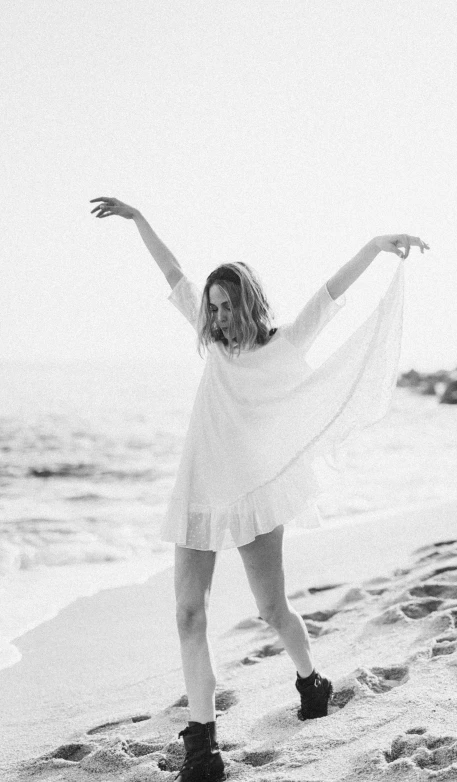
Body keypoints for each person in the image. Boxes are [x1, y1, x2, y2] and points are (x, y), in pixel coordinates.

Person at [90, 196, 429, 781]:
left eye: (225, 306)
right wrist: (140, 218)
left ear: (246, 304)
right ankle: (204, 747)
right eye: (212, 308)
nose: (216, 317)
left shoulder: (282, 345)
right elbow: (173, 273)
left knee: (272, 610)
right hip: (198, 490)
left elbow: (328, 295)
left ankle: (311, 680)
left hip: (253, 496)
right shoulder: (213, 348)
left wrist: (376, 247)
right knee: (188, 614)